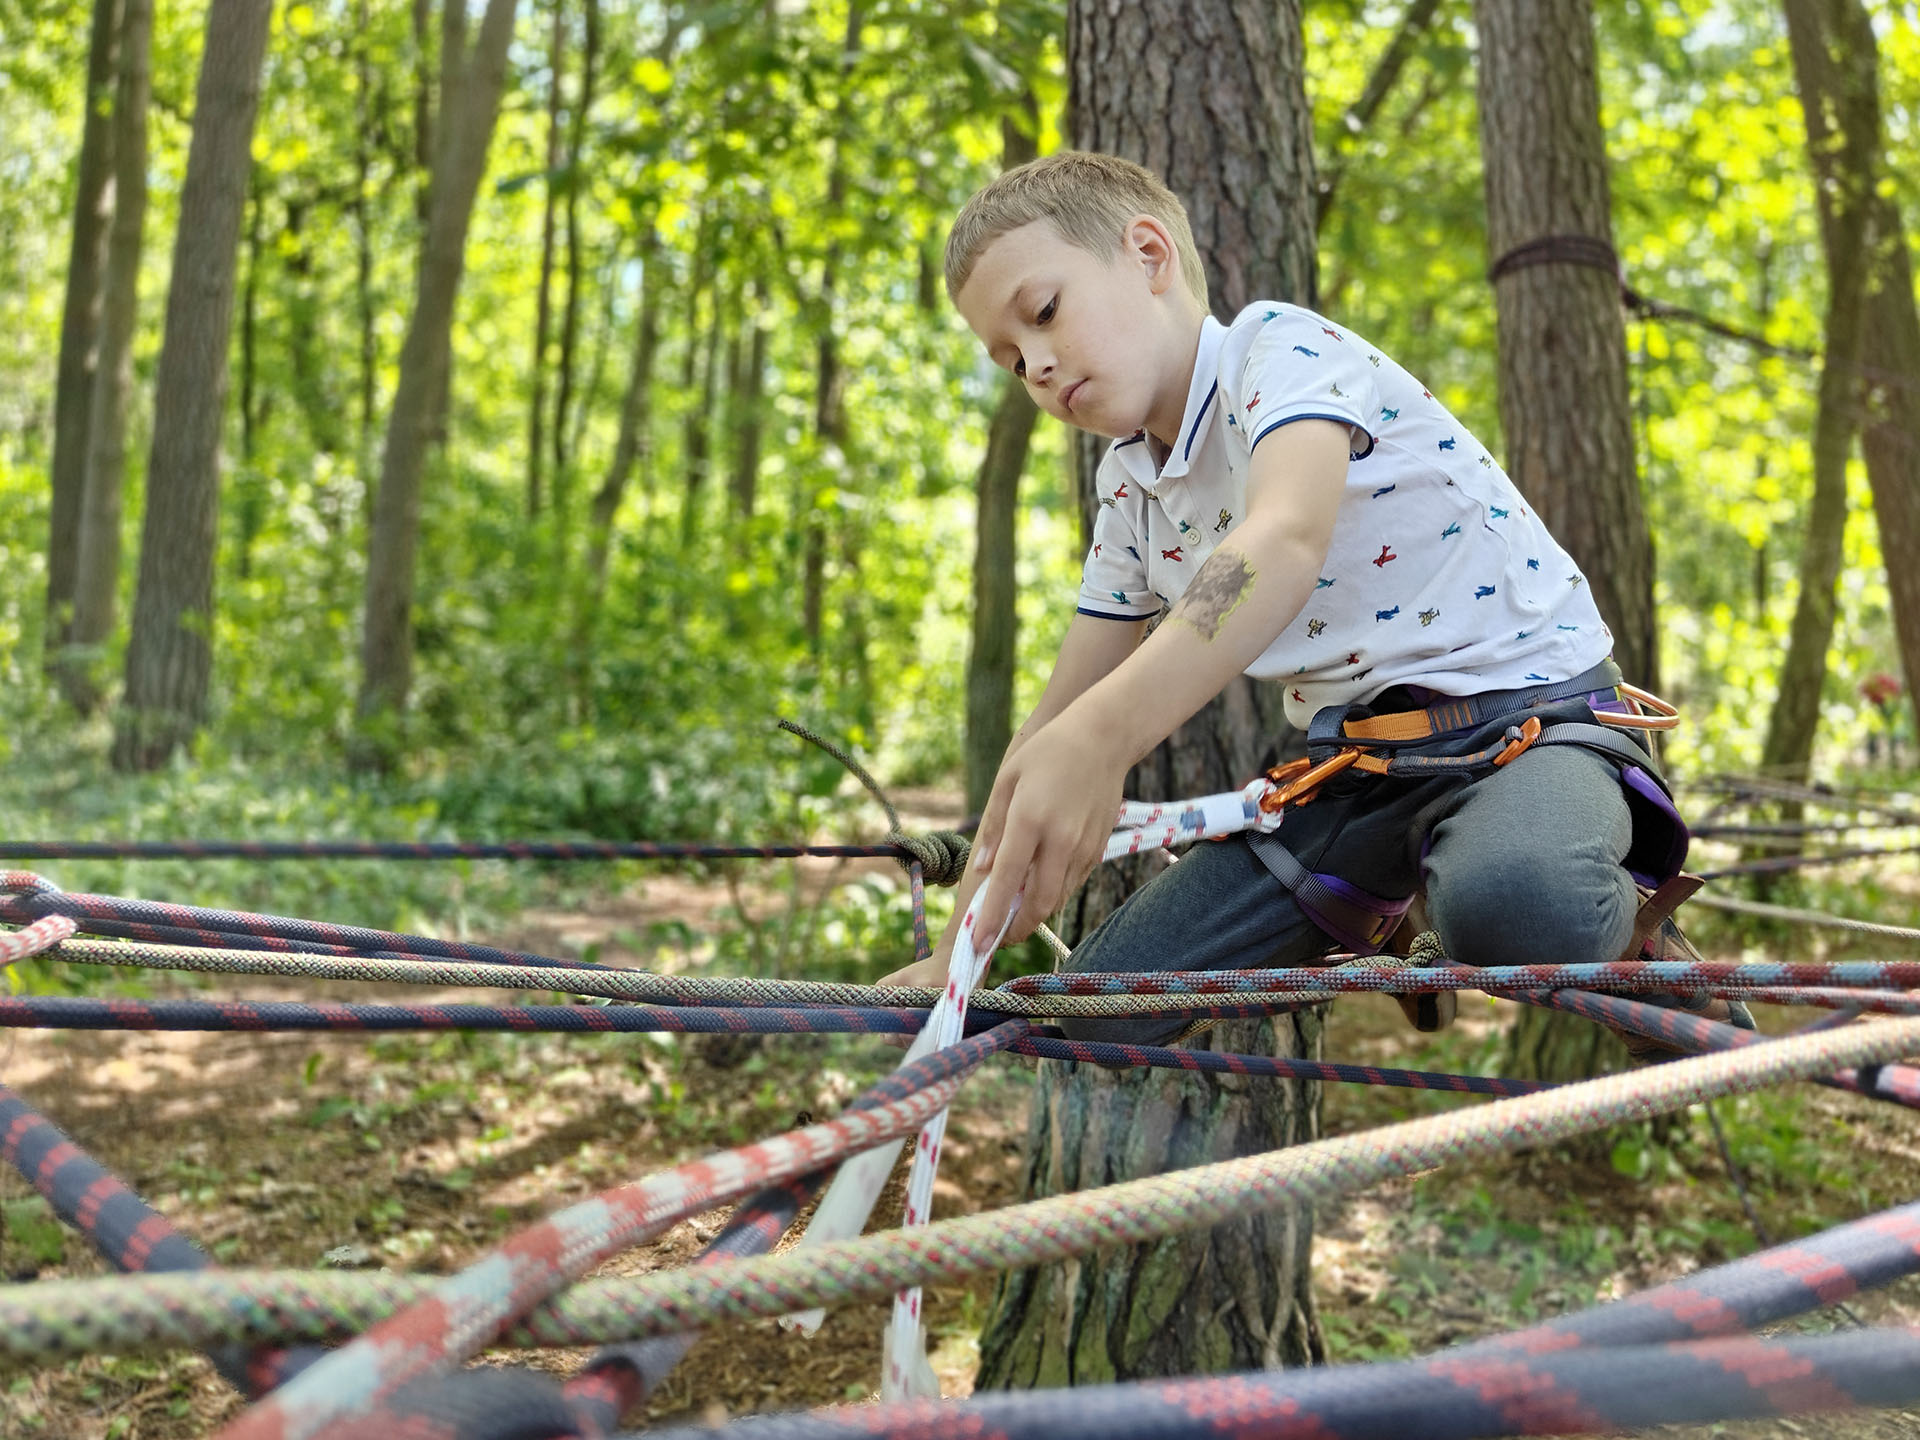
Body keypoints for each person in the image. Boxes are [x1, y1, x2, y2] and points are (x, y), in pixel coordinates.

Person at [883, 151, 1745, 1057]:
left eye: (1045, 313)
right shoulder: (1130, 488)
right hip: (1358, 772)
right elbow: (1051, 721)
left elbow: (1282, 539)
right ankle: (1393, 889)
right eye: (1013, 360)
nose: (1041, 365)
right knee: (1100, 1002)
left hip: (1527, 721)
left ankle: (1630, 930)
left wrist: (1102, 741)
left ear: (1147, 255)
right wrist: (957, 953)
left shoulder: (1280, 351)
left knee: (1517, 908)